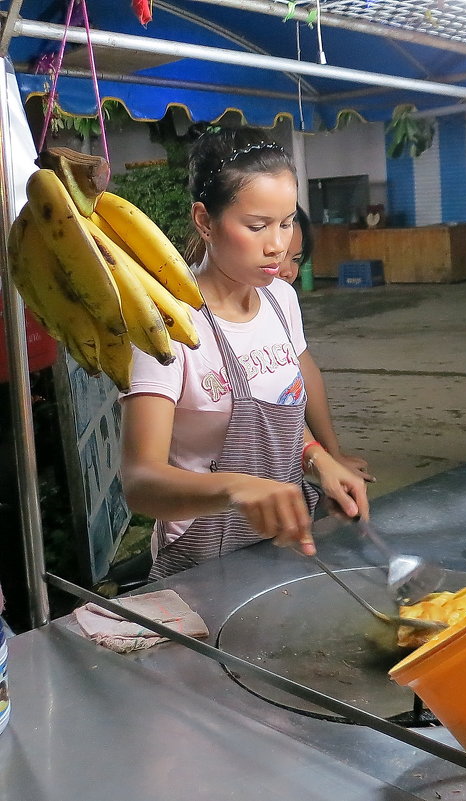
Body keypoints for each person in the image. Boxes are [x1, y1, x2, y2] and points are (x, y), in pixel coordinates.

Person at [120, 124, 369, 580]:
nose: (277, 245)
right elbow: (139, 484)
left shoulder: (281, 299)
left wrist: (320, 459)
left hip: (282, 547)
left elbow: (275, 417)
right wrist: (235, 488)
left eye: (287, 222)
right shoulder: (170, 324)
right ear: (204, 221)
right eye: (257, 226)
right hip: (201, 563)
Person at [279, 206, 373, 482]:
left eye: (294, 258)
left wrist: (331, 454)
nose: (287, 270)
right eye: (277, 255)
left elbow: (304, 374)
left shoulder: (282, 297)